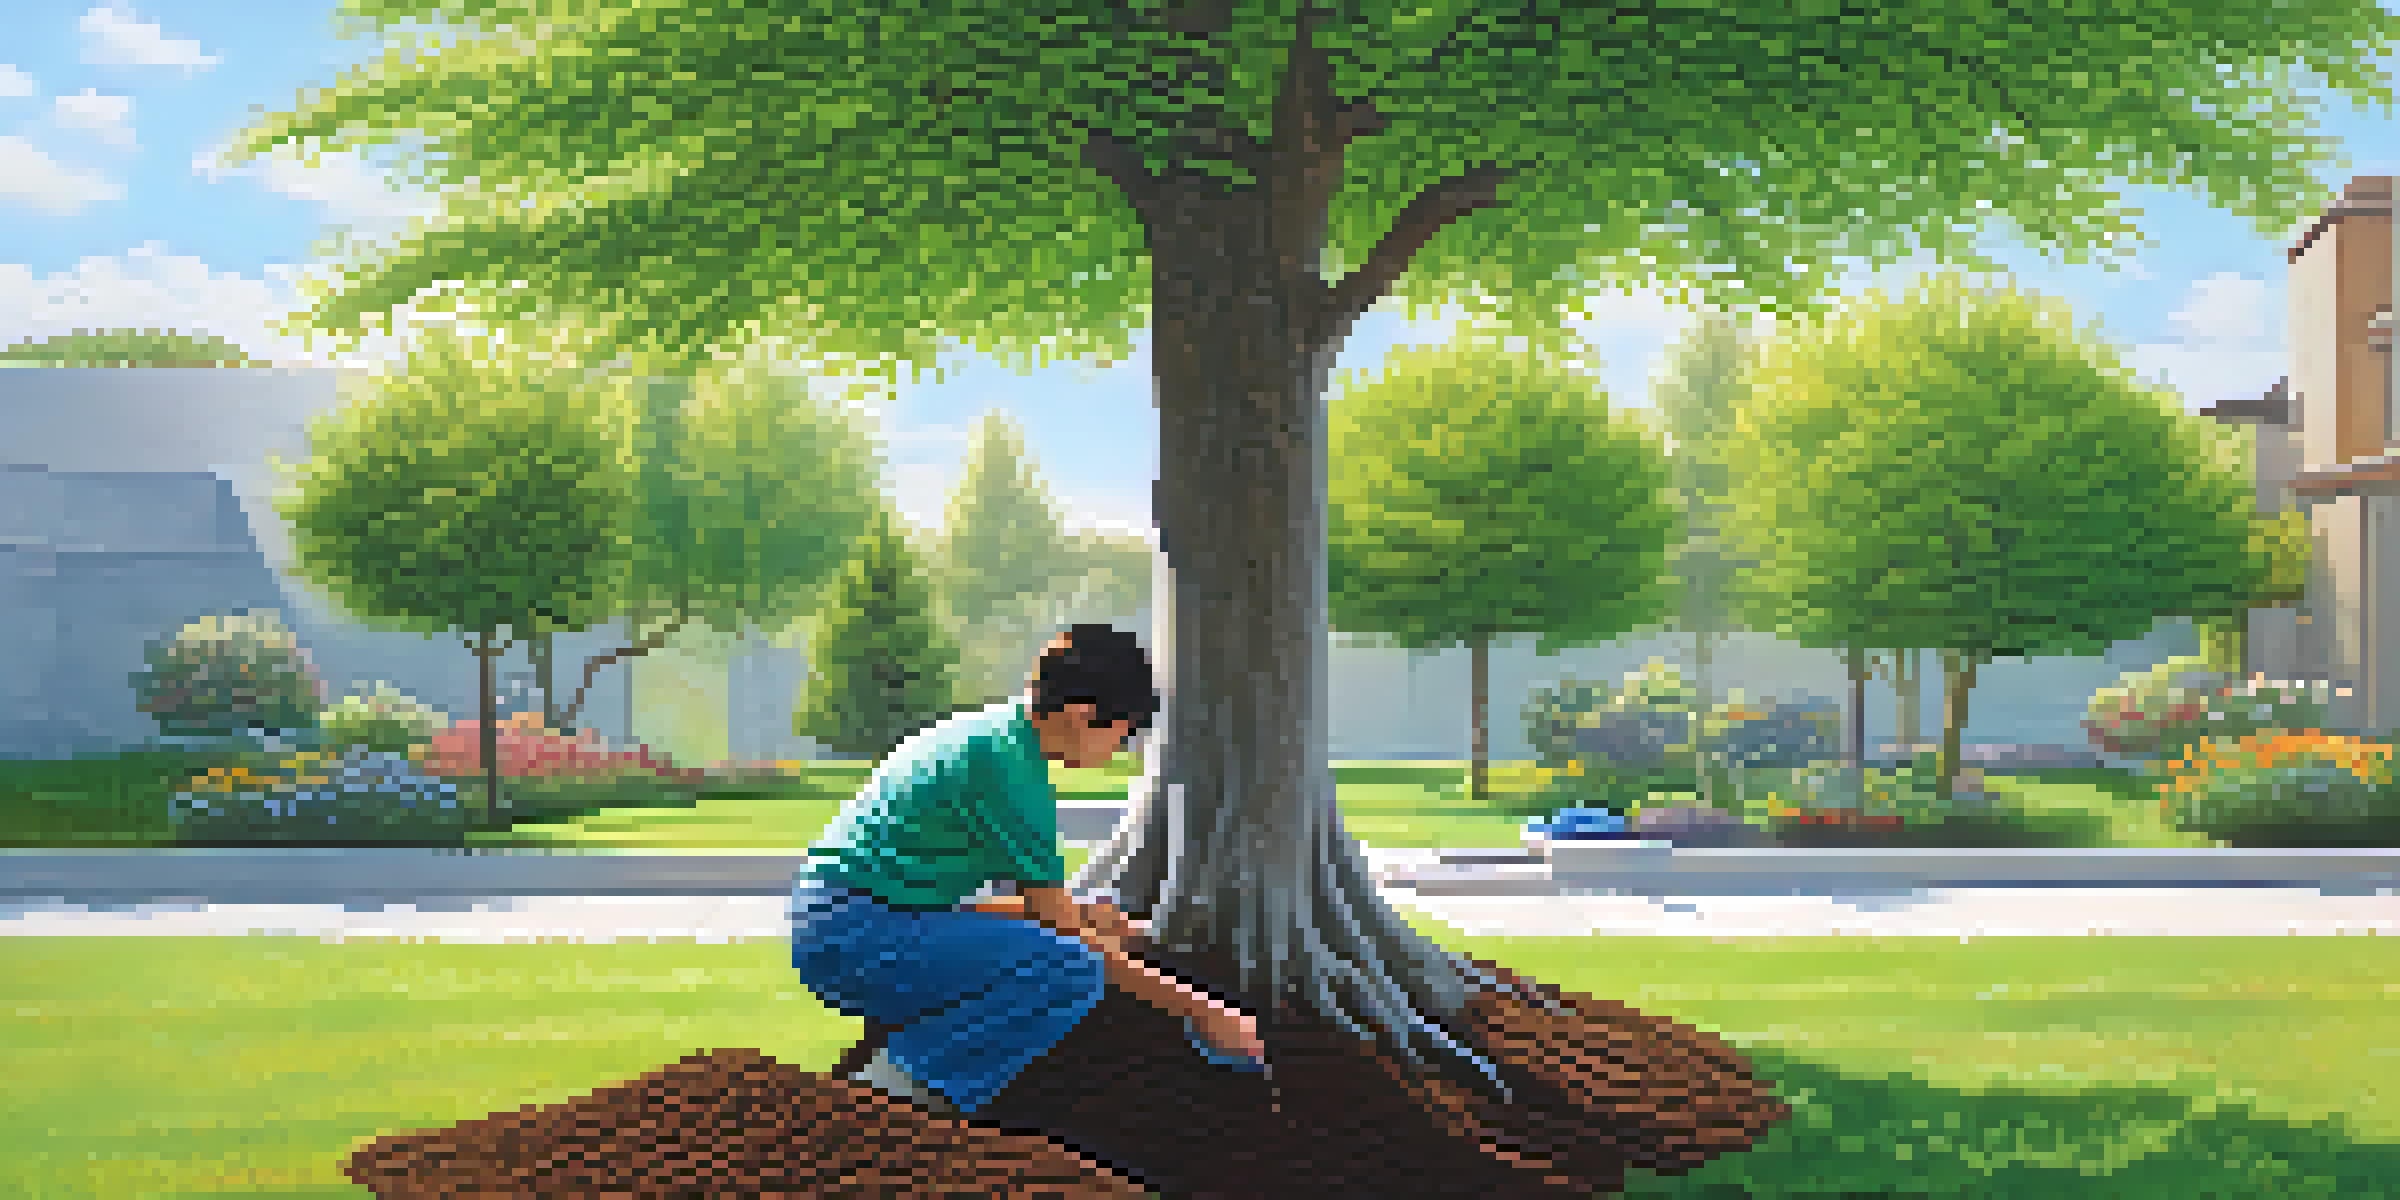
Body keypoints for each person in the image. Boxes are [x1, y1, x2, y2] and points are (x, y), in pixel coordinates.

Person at [790, 623, 1265, 1118]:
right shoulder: (1013, 777)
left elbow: (946, 900)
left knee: (1061, 947)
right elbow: (1067, 944)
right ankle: (890, 1101)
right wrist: (1205, 1012)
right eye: (1123, 736)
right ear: (1083, 717)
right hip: (854, 937)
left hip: (845, 920)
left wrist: (1081, 915)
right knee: (1067, 972)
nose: (1119, 752)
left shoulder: (989, 734)